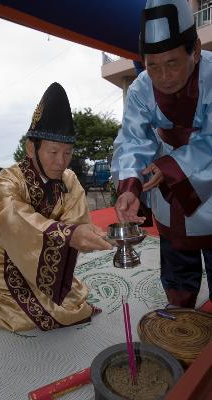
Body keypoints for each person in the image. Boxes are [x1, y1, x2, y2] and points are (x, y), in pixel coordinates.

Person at [0, 82, 112, 332]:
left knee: (74, 302)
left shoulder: (69, 179)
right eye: (53, 151)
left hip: (41, 257)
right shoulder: (7, 181)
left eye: (68, 152)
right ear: (30, 148)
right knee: (37, 317)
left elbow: (76, 224)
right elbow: (13, 219)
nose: (61, 162)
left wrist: (88, 235)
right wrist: (69, 235)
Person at [111, 0, 212, 309]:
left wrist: (171, 167)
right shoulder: (142, 88)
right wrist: (130, 184)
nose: (163, 76)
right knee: (177, 270)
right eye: (152, 65)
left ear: (194, 50)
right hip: (168, 195)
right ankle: (180, 317)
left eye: (172, 63)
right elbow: (132, 140)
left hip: (206, 187)